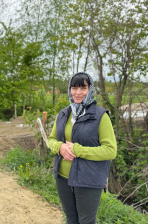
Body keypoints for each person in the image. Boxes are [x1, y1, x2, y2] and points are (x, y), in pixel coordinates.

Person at [48, 72, 117, 224]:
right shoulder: (64, 113)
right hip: (62, 177)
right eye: (74, 88)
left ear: (90, 89)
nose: (78, 93)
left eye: (83, 88)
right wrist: (59, 147)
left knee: (86, 221)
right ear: (69, 89)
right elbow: (51, 139)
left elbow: (110, 150)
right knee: (71, 219)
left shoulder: (100, 116)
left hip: (88, 179)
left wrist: (77, 150)